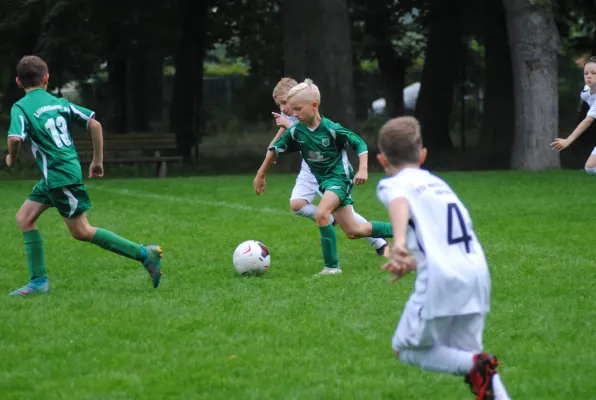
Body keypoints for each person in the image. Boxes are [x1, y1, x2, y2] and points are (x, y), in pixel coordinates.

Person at [375, 116, 511, 400]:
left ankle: (476, 366)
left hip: (443, 278)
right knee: (472, 356)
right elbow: (441, 241)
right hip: (476, 273)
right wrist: (411, 260)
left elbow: (399, 201)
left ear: (381, 160)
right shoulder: (439, 184)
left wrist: (398, 242)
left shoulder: (396, 184)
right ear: (422, 155)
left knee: (405, 348)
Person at [6, 55, 163, 296]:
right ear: (47, 78)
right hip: (56, 175)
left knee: (81, 230)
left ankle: (144, 254)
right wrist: (97, 161)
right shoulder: (59, 103)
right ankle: (39, 282)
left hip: (60, 176)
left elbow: (15, 138)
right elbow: (95, 124)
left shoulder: (21, 107)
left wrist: (11, 158)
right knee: (24, 218)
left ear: (18, 82)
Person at [256, 78, 393, 275]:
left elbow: (360, 144)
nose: (294, 114)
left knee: (321, 214)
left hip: (340, 178)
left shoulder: (331, 129)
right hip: (323, 180)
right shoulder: (297, 131)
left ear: (314, 106)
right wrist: (261, 174)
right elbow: (274, 148)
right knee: (354, 231)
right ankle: (407, 228)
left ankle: (331, 268)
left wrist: (363, 169)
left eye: (297, 109)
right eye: (291, 109)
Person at [552, 55, 596, 174]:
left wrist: (568, 140)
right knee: (590, 168)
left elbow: (588, 121)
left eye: (593, 73)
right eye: (586, 73)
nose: (589, 76)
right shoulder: (587, 90)